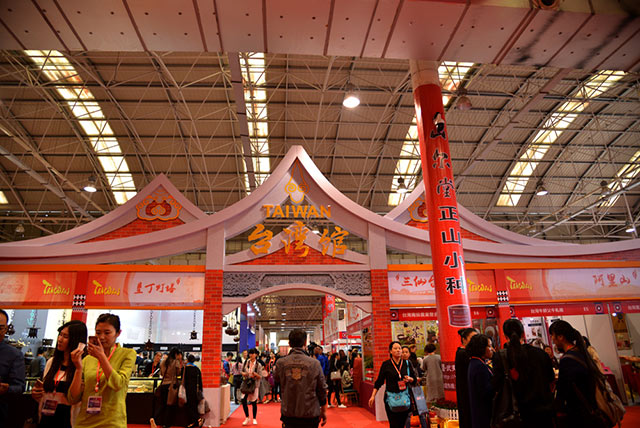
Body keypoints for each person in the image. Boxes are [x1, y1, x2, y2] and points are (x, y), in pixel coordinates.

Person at [68, 313, 136, 428]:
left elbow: (118, 384)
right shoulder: (88, 359)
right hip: (84, 422)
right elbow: (72, 398)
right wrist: (78, 368)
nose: (102, 337)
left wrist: (101, 357)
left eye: (107, 333)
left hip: (112, 423)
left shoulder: (128, 354)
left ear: (118, 333)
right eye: (98, 333)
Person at [492, 319, 555, 428]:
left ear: (505, 336)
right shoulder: (541, 354)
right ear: (523, 333)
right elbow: (551, 378)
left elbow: (497, 385)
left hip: (518, 414)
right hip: (544, 412)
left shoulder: (502, 357)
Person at [550, 320, 607, 428]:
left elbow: (563, 388)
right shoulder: (581, 353)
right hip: (592, 406)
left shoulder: (567, 359)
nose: (552, 339)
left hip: (579, 412)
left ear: (561, 337)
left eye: (552, 335)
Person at [31, 320, 87, 428]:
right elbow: (45, 391)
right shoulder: (52, 362)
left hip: (69, 421)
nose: (60, 339)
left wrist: (78, 368)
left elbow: (76, 397)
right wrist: (37, 393)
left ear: (76, 340)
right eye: (60, 335)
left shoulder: (83, 366)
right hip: (45, 418)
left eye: (65, 336)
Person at [275, 329, 327, 428]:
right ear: (305, 342)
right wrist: (323, 410)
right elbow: (322, 389)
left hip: (289, 412)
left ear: (289, 343)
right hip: (310, 413)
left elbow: (277, 380)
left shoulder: (280, 363)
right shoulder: (315, 363)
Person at [369, 341, 417, 428]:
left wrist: (410, 379)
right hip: (390, 398)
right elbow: (379, 381)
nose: (398, 350)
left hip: (405, 397)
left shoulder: (407, 363)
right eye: (395, 348)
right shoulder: (386, 365)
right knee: (394, 424)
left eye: (399, 348)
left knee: (402, 424)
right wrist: (373, 396)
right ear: (390, 351)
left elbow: (414, 380)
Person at [0, 309, 26, 427]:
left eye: (0, 328)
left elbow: (20, 387)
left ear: (6, 329)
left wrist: (7, 389)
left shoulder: (14, 355)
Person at [466, 334, 494, 428]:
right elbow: (486, 392)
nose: (492, 349)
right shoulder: (479, 366)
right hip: (484, 415)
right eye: (489, 346)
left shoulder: (474, 362)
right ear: (481, 348)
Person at [154, 347, 183, 428]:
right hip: (171, 386)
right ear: (176, 354)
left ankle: (154, 418)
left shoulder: (163, 362)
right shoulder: (175, 362)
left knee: (162, 405)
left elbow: (161, 374)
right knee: (169, 405)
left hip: (163, 384)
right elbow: (178, 373)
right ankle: (166, 424)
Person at [455, 327, 478, 428]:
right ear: (464, 339)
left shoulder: (467, 353)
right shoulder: (463, 353)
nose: (475, 341)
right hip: (466, 391)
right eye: (472, 338)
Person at [240, 348, 263, 426]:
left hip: (254, 384)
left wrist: (256, 375)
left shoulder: (258, 365)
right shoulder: (246, 362)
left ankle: (254, 418)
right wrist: (243, 374)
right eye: (250, 353)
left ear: (256, 354)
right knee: (243, 400)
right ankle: (247, 417)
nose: (251, 355)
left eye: (252, 353)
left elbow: (260, 376)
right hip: (246, 383)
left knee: (253, 402)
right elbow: (242, 371)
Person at [183, 354, 203, 428]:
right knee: (194, 406)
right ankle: (196, 421)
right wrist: (200, 390)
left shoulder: (185, 369)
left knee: (189, 407)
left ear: (187, 360)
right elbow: (200, 381)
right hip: (195, 390)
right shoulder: (197, 369)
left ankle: (195, 421)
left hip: (187, 390)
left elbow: (183, 380)